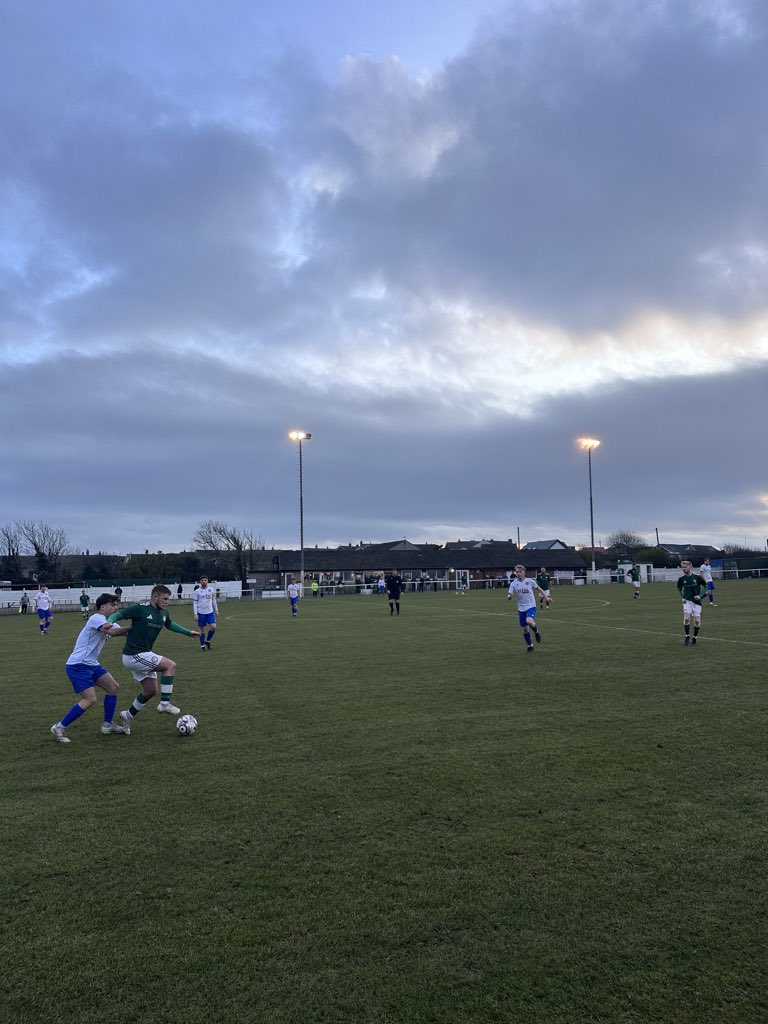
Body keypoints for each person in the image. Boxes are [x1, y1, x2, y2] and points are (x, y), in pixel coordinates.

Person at [107, 584, 199, 731]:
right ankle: (164, 705)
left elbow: (169, 624)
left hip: (143, 654)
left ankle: (127, 715)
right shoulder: (141, 608)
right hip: (134, 654)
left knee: (150, 691)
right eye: (165, 599)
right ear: (155, 596)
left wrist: (188, 632)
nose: (167, 602)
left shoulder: (164, 612)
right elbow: (119, 615)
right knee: (170, 665)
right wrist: (108, 622)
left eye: (168, 599)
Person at [50, 594, 131, 743]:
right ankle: (59, 727)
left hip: (91, 663)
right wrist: (133, 626)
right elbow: (113, 632)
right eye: (113, 605)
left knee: (112, 687)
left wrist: (142, 626)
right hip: (78, 665)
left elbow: (124, 632)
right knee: (90, 699)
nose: (116, 608)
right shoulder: (96, 618)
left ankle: (107, 725)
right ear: (103, 607)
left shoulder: (108, 621)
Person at [507, 565, 547, 652]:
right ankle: (530, 645)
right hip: (521, 608)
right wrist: (509, 596)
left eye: (520, 572)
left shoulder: (529, 581)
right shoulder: (513, 584)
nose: (518, 573)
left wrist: (546, 597)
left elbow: (539, 589)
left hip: (531, 606)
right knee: (525, 629)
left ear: (524, 572)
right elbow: (509, 594)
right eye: (517, 572)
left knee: (529, 621)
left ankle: (536, 632)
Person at [677, 561, 707, 646]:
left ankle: (695, 637)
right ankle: (687, 636)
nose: (683, 568)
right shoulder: (681, 579)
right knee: (686, 618)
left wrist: (700, 596)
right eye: (682, 567)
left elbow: (706, 586)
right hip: (687, 601)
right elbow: (679, 589)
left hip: (697, 602)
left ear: (690, 567)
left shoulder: (697, 577)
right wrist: (682, 597)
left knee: (697, 621)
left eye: (685, 567)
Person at [192, 575, 219, 650]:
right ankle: (202, 645)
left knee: (213, 627)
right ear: (200, 582)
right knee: (202, 630)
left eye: (205, 580)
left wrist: (216, 609)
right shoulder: (197, 591)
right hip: (201, 613)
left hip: (210, 612)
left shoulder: (211, 589)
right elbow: (195, 603)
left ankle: (207, 641)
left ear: (207, 581)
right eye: (202, 580)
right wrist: (195, 614)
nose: (204, 581)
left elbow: (214, 600)